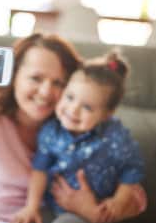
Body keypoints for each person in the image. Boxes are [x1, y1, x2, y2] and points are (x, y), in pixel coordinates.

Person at [0, 34, 146, 223]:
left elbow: (136, 197)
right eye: (36, 78)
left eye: (59, 83)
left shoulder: (73, 124)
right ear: (14, 76)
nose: (45, 92)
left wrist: (89, 210)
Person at [13, 51, 145, 223]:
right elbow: (40, 170)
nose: (72, 109)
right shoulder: (51, 132)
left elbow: (132, 169)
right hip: (54, 206)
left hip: (97, 210)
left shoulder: (115, 136)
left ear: (107, 114)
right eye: (69, 97)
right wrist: (32, 206)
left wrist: (119, 201)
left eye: (87, 107)